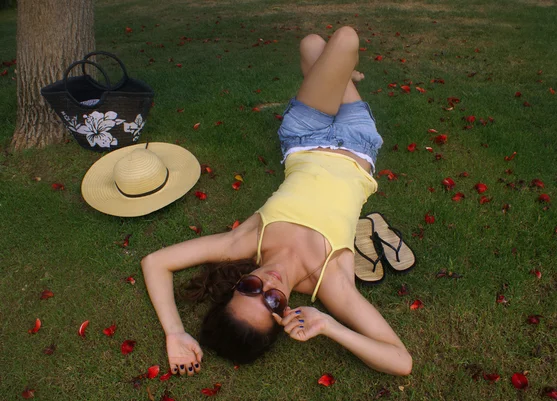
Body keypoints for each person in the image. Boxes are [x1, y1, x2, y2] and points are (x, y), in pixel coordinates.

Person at [141, 26, 413, 377]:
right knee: (339, 41)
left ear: (237, 284)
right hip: (359, 143)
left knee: (314, 43)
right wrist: (330, 326)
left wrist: (175, 331)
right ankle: (342, 71)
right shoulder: (329, 283)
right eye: (272, 301)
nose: (267, 284)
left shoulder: (245, 242)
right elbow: (401, 361)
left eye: (250, 288)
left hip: (304, 134)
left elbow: (155, 262)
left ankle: (340, 70)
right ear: (285, 315)